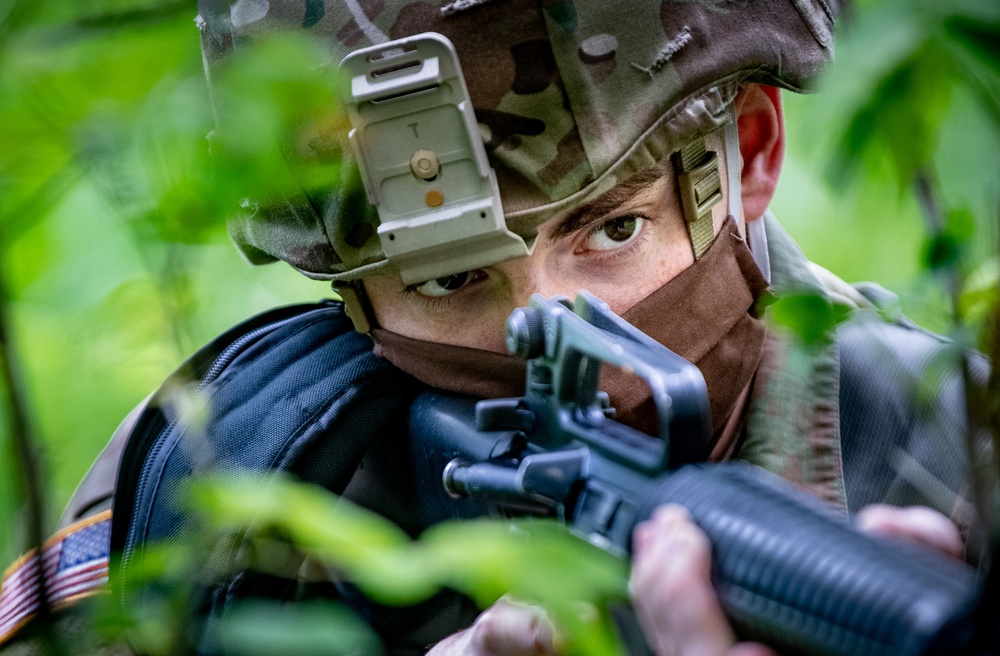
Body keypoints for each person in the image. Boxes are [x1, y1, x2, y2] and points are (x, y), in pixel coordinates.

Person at [0, 0, 987, 654]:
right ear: (355, 292)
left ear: (753, 156)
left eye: (610, 227)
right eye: (454, 274)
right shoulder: (237, 479)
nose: (545, 326)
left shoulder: (952, 451)